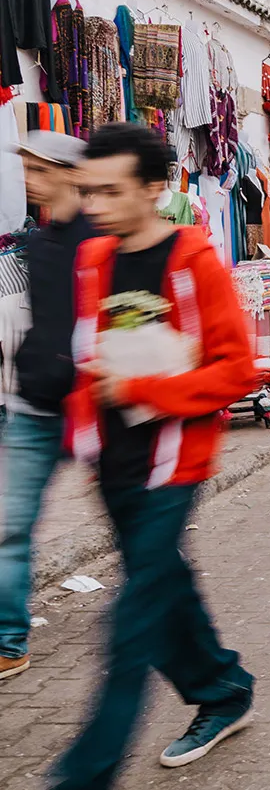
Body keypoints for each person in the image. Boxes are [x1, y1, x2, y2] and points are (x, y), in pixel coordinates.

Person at [53, 124, 258, 789]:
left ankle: (86, 772)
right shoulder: (94, 261)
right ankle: (222, 686)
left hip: (173, 465)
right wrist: (82, 434)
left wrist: (140, 388)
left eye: (112, 190)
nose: (97, 204)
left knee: (130, 621)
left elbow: (237, 371)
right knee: (165, 589)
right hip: (112, 464)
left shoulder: (193, 261)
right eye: (90, 190)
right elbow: (91, 354)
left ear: (153, 188)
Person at [1, 133, 93, 683]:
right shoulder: (34, 245)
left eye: (40, 169)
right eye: (27, 168)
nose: (30, 178)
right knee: (11, 527)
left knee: (134, 523)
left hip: (94, 407)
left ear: (70, 174)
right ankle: (10, 642)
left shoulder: (101, 243)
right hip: (34, 406)